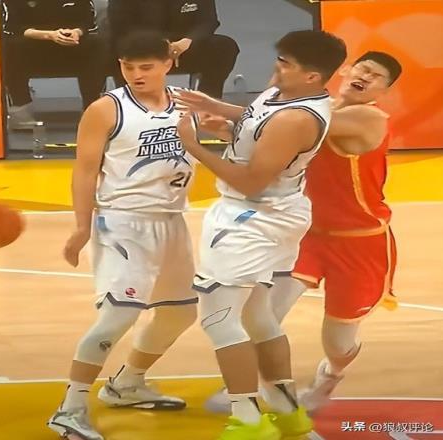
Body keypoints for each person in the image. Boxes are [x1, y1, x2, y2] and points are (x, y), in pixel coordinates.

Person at [205, 51, 403, 417]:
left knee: (338, 342)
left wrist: (225, 109)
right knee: (265, 311)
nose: (365, 76)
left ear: (384, 92)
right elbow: (277, 139)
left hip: (360, 242)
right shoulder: (315, 109)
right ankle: (244, 387)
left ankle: (331, 375)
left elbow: (294, 123)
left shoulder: (368, 118)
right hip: (307, 234)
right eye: (362, 68)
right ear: (346, 70)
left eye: (376, 76)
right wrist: (231, 132)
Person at [174, 30, 347, 439]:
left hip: (253, 216)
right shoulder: (282, 95)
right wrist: (216, 109)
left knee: (218, 318)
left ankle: (248, 419)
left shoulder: (297, 119)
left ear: (312, 76)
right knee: (257, 316)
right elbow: (255, 121)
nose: (277, 67)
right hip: (270, 213)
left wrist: (193, 146)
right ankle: (288, 413)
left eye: (286, 63)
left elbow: (251, 181)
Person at [47, 31, 198, 440]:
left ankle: (127, 383)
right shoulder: (106, 109)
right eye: (128, 67)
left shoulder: (188, 104)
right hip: (123, 222)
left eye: (146, 67)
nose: (136, 74)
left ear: (168, 64)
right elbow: (84, 171)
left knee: (181, 312)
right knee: (120, 315)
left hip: (172, 220)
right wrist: (81, 227)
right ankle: (70, 409)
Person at [2, 0, 106, 128]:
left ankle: (92, 108)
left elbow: (90, 24)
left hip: (73, 45)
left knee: (98, 44)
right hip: (31, 48)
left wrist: (77, 32)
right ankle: (20, 110)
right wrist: (49, 35)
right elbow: (10, 28)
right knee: (9, 47)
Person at [107, 0, 239, 98]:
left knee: (224, 46)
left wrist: (189, 40)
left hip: (184, 48)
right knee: (110, 49)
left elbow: (209, 21)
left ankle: (207, 103)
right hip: (141, 46)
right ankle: (128, 102)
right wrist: (158, 43)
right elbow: (120, 25)